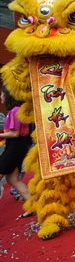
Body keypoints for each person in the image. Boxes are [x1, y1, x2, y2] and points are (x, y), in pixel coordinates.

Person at [0, 87, 32, 218]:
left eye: (1, 94)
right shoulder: (17, 110)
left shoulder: (14, 111)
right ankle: (32, 205)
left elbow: (15, 133)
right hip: (18, 147)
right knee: (13, 179)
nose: (0, 97)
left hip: (15, 147)